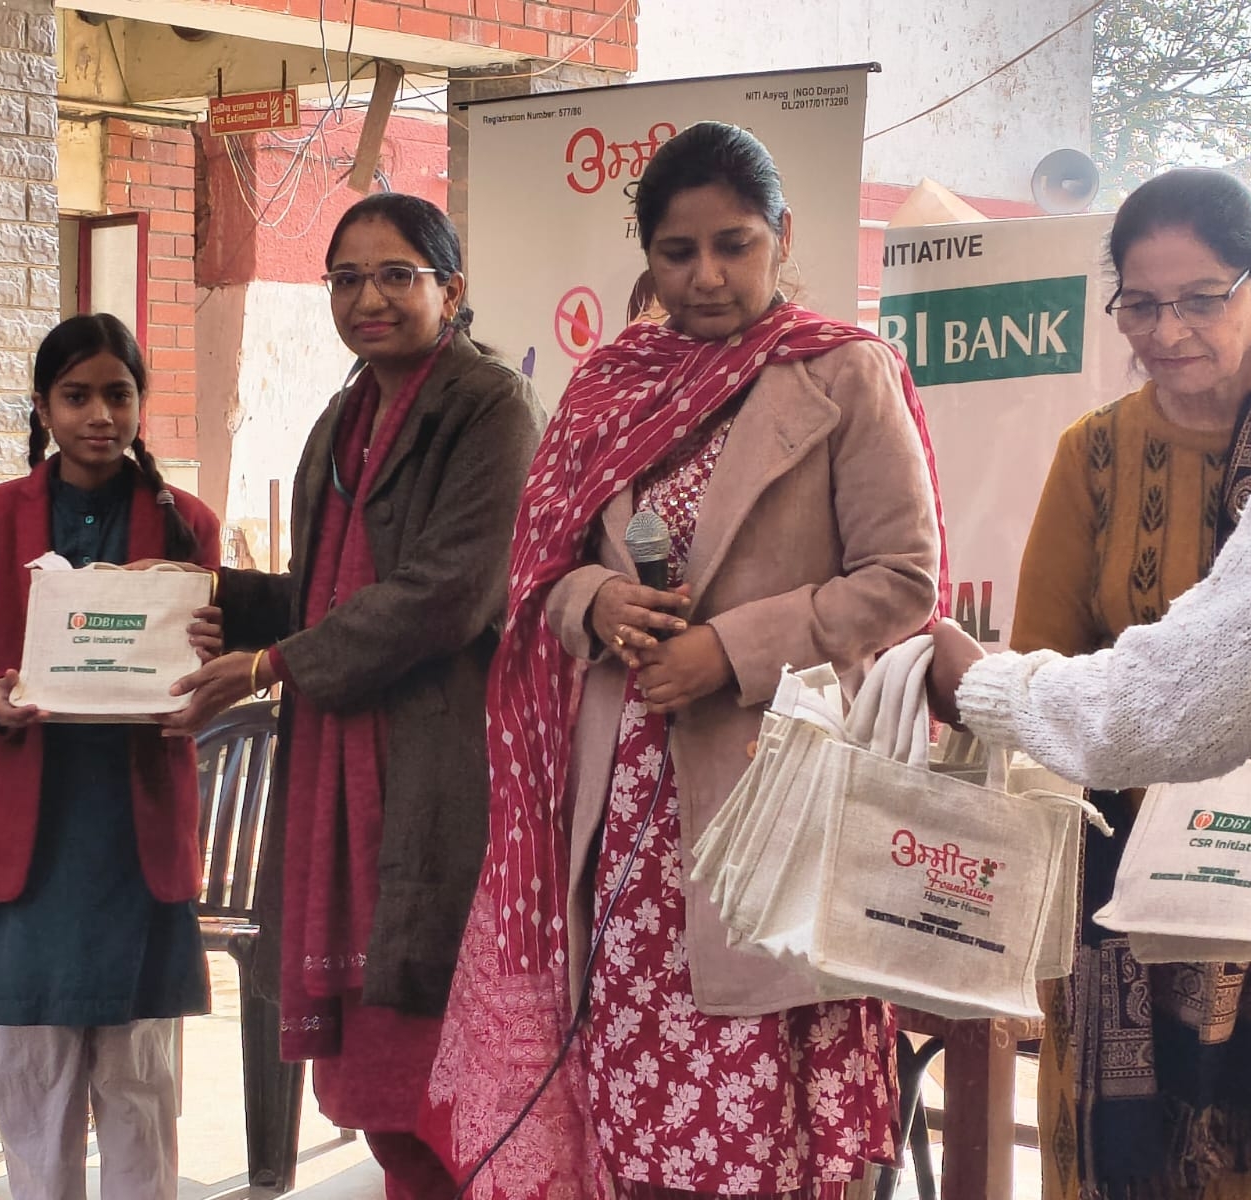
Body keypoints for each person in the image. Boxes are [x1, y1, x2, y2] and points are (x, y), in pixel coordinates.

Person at [422, 121, 948, 1200]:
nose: (706, 276)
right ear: (648, 256)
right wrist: (596, 601)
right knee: (634, 1112)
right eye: (677, 251)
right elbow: (542, 569)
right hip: (627, 812)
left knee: (761, 1129)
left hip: (772, 797)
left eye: (734, 245)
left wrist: (729, 651)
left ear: (781, 236)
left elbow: (902, 582)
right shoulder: (612, 384)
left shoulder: (844, 373)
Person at [162, 192, 543, 1199]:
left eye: (395, 275)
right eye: (345, 279)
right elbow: (323, 595)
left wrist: (271, 666)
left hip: (443, 765)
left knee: (454, 1076)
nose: (367, 298)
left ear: (450, 289)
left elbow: (448, 593)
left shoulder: (492, 406)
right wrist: (199, 598)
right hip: (339, 772)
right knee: (385, 1093)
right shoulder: (345, 417)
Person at [985, 167, 1251, 1200]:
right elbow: (1043, 666)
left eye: (1199, 299)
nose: (1168, 330)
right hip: (1127, 905)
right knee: (1128, 1165)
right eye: (1140, 305)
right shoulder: (1096, 456)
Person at [0, 314, 221, 1200]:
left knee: (140, 1079)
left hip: (138, 832)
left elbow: (219, 662)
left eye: (118, 395)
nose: (100, 415)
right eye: (77, 396)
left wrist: (210, 673)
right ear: (44, 406)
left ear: (141, 402)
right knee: (37, 1077)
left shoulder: (188, 525)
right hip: (32, 838)